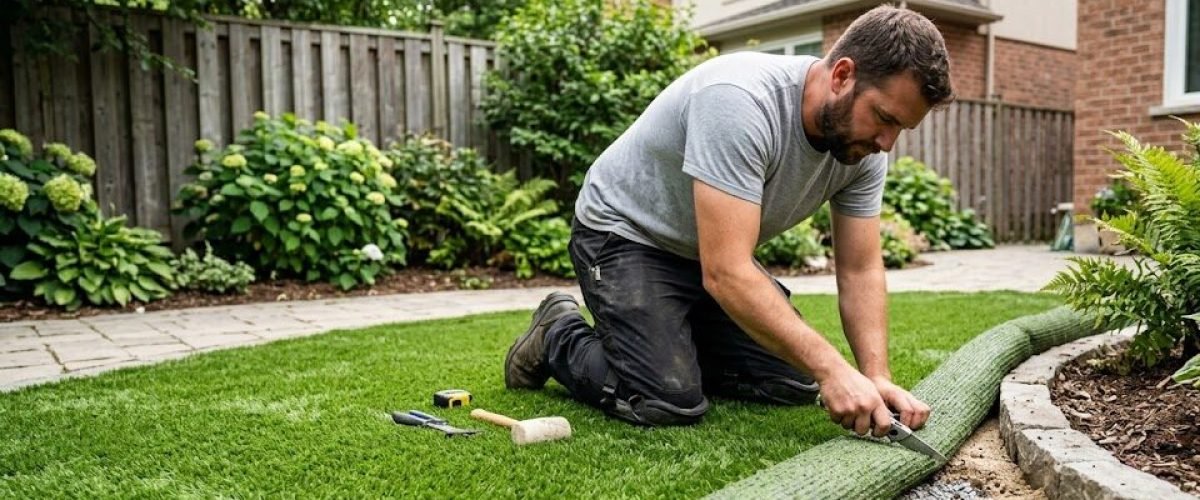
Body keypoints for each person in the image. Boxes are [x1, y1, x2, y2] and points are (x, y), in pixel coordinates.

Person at [504, 5, 953, 437]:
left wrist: (874, 376)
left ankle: (670, 337)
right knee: (667, 400)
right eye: (884, 118)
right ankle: (557, 332)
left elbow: (859, 269)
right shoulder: (739, 100)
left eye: (901, 129)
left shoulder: (863, 152)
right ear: (841, 76)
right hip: (625, 236)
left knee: (793, 382)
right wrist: (833, 368)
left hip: (703, 252)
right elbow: (727, 272)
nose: (887, 142)